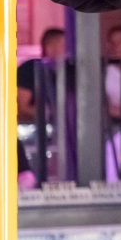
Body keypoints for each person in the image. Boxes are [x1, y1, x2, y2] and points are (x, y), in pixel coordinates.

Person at [17, 28, 78, 181]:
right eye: (64, 45)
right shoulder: (30, 68)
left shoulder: (70, 71)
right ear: (50, 47)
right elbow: (18, 105)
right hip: (31, 139)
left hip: (66, 140)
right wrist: (48, 112)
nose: (68, 50)